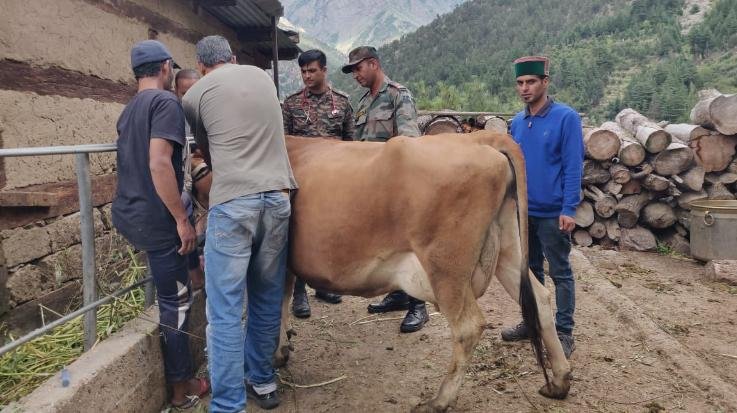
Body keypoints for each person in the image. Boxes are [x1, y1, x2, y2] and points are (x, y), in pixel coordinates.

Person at [182, 35, 297, 412]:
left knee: (226, 310)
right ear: (233, 57)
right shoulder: (264, 79)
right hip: (279, 198)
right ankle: (262, 381)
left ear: (200, 66)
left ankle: (228, 403)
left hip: (233, 203)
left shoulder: (194, 95)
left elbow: (207, 150)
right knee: (265, 297)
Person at [112, 39, 209, 409]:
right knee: (176, 303)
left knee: (182, 283)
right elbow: (158, 163)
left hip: (132, 213)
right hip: (158, 219)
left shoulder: (130, 108)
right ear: (166, 67)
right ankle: (181, 389)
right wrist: (182, 220)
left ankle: (194, 275)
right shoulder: (166, 102)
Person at [341, 45, 428, 333]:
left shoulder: (397, 95)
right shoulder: (364, 102)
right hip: (370, 187)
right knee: (386, 245)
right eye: (352, 70)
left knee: (408, 244)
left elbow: (410, 143)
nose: (355, 75)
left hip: (396, 186)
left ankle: (419, 305)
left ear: (374, 64)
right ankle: (398, 293)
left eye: (358, 68)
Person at [502, 56, 583, 359]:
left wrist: (569, 208)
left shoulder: (566, 118)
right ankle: (533, 322)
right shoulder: (518, 122)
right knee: (530, 271)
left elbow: (573, 166)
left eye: (531, 82)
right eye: (520, 83)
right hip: (525, 211)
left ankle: (564, 332)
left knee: (560, 272)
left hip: (553, 213)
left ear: (545, 82)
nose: (524, 88)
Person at [282, 49, 353, 318]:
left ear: (324, 70)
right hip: (302, 183)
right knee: (301, 232)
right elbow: (284, 146)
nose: (307, 76)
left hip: (334, 182)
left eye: (312, 70)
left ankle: (324, 284)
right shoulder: (291, 105)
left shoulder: (343, 103)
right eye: (303, 71)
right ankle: (299, 292)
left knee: (331, 229)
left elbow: (351, 145)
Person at [174, 68, 206, 290]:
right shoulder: (171, 114)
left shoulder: (207, 111)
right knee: (186, 225)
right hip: (182, 180)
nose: (188, 98)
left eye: (193, 92)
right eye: (184, 93)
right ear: (176, 91)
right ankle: (193, 275)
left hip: (204, 180)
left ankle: (204, 270)